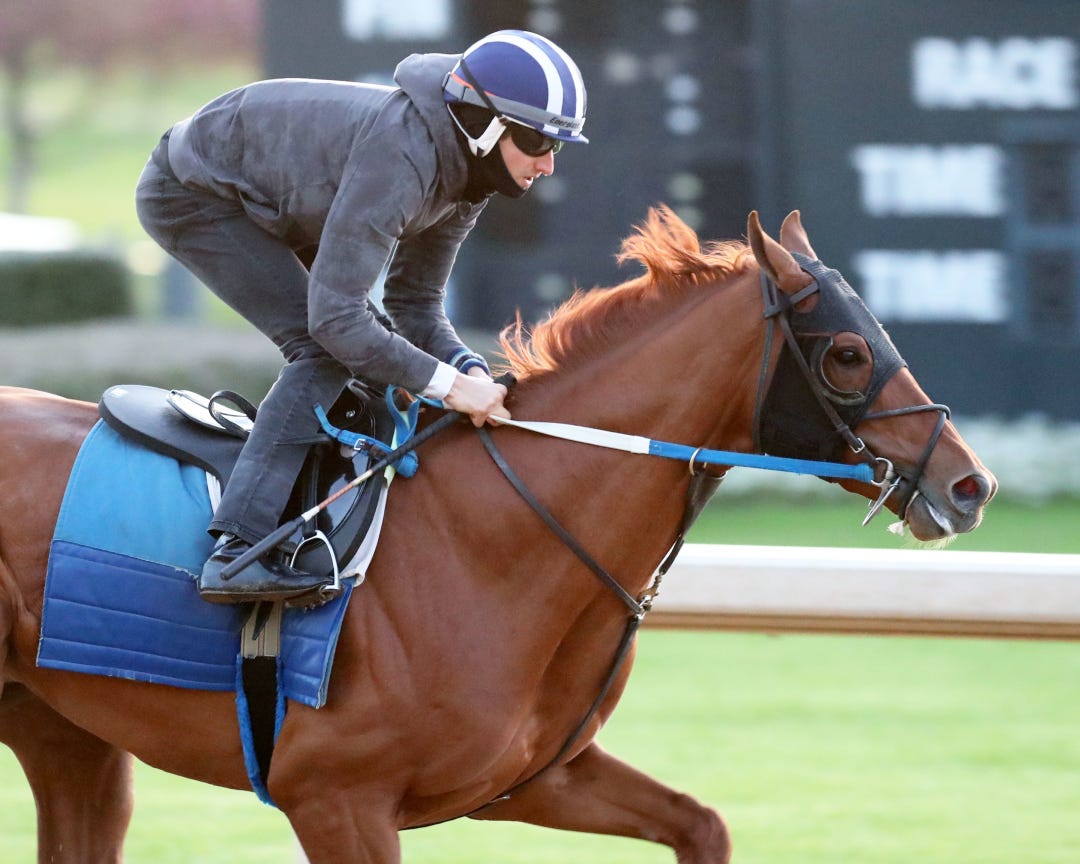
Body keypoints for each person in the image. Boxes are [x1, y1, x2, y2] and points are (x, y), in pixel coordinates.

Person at [135, 30, 588, 605]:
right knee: (327, 348)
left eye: (559, 147)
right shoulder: (401, 156)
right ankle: (237, 550)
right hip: (194, 192)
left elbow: (414, 303)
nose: (548, 164)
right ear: (484, 124)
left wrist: (468, 371)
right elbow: (337, 324)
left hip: (278, 200)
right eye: (536, 142)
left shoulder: (470, 177)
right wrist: (449, 389)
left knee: (371, 359)